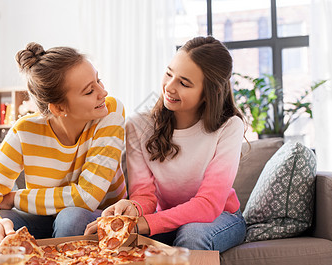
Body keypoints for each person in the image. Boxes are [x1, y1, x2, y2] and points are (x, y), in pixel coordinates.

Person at [85, 36, 246, 253]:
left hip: (220, 217)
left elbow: (209, 204)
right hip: (163, 217)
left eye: (184, 83)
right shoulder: (139, 125)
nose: (169, 87)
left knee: (192, 235)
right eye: (169, 74)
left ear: (210, 92)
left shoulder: (229, 127)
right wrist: (133, 208)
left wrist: (142, 225)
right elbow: (145, 195)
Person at [0, 42, 126, 246]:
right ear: (58, 108)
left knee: (71, 218)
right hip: (44, 219)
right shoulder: (25, 132)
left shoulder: (110, 112)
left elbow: (87, 197)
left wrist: (15, 198)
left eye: (99, 80)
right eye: (89, 91)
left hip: (97, 216)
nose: (103, 92)